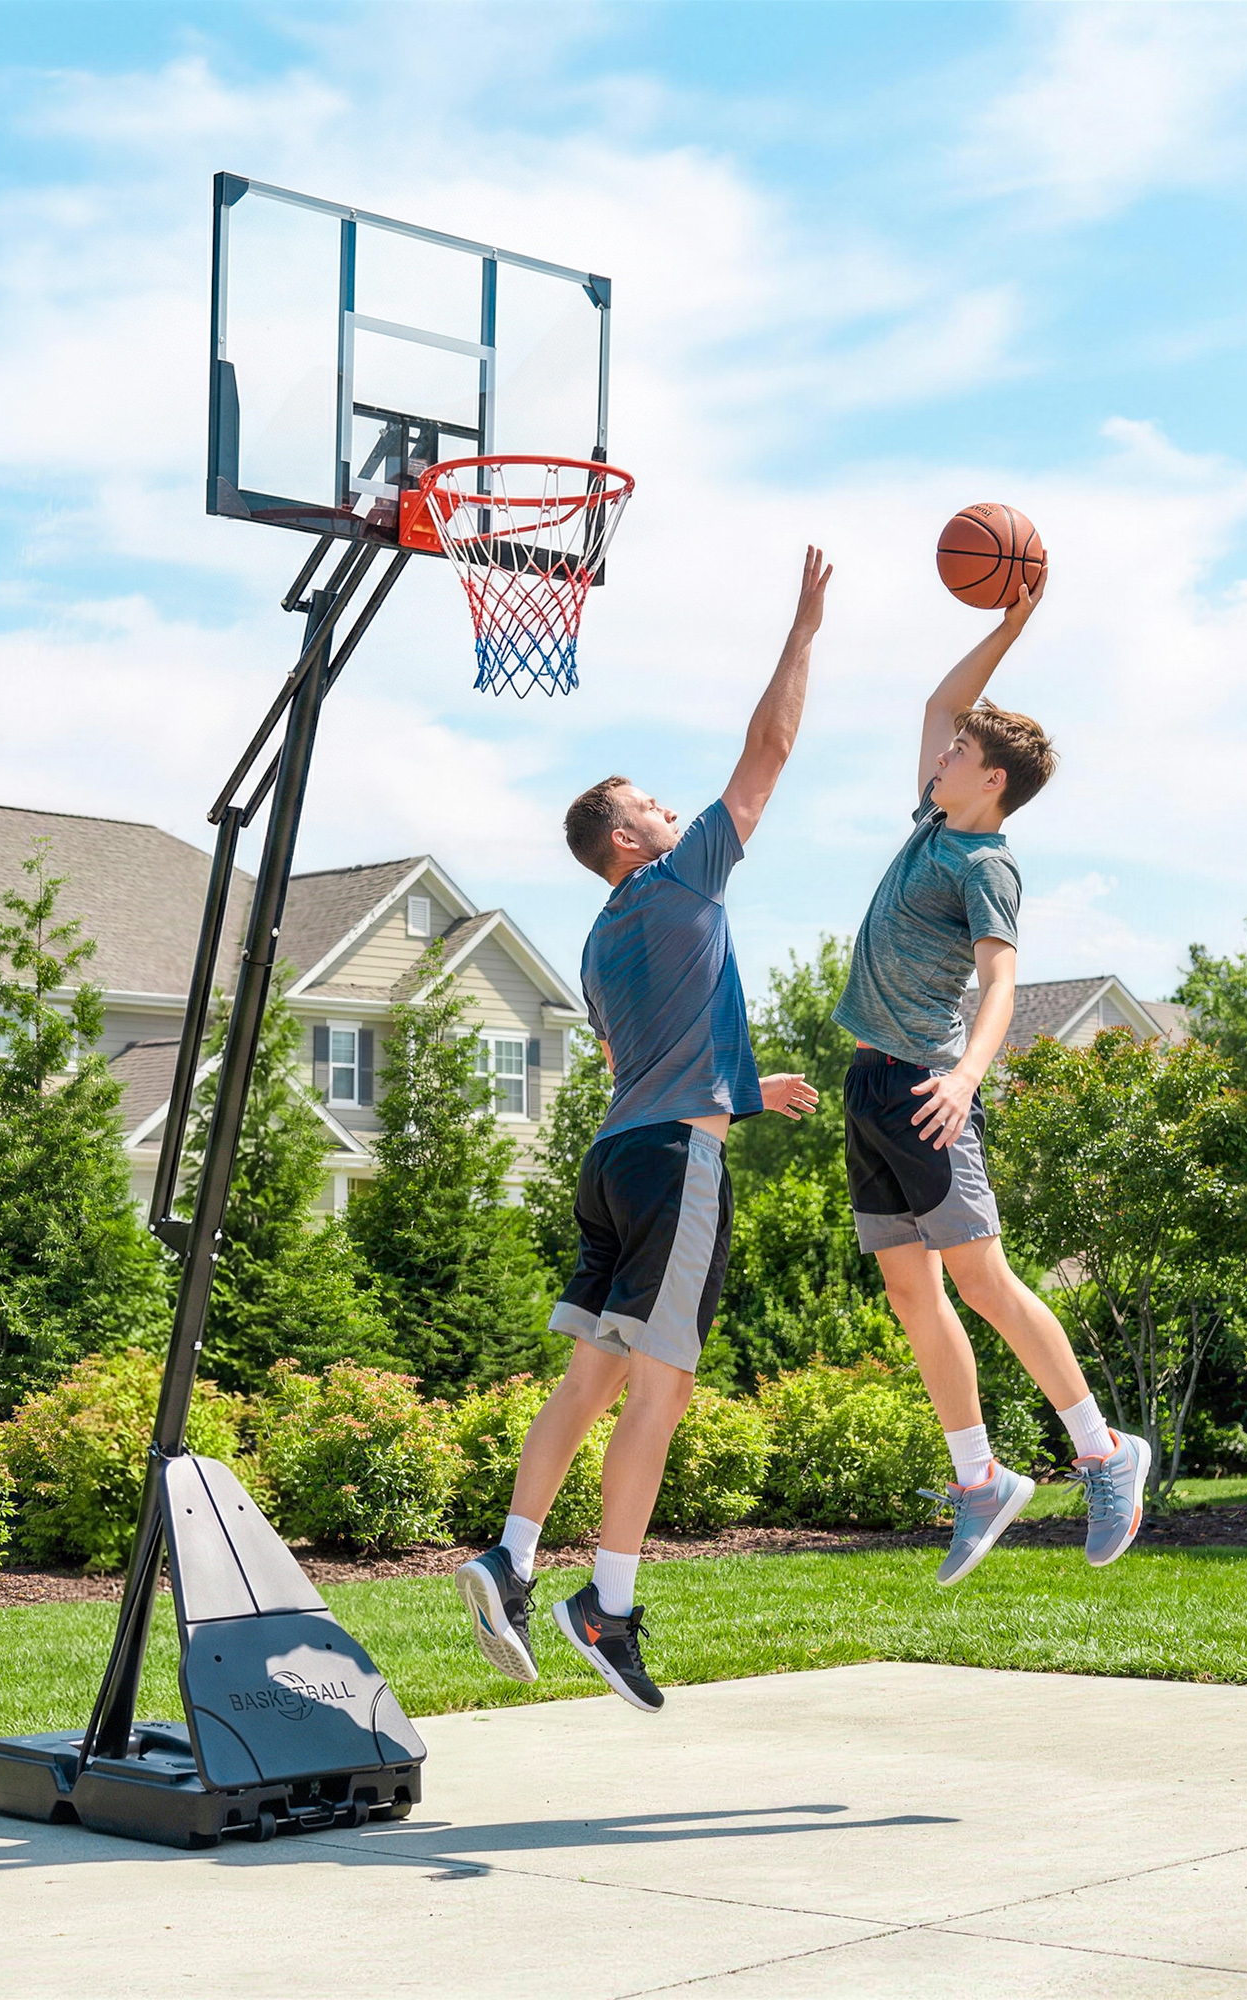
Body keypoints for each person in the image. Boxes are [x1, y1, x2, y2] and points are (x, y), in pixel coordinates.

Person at [456, 545, 833, 1713]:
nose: (674, 810)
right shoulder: (682, 883)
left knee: (587, 1376)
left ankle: (511, 1559)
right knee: (658, 1392)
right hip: (675, 1160)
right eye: (653, 806)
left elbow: (631, 1058)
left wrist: (739, 1080)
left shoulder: (598, 937)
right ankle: (603, 1604)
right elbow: (766, 755)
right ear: (628, 839)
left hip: (616, 1156)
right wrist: (804, 629)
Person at [832, 572, 1150, 1584]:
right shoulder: (931, 822)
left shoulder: (985, 865)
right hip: (869, 1086)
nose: (939, 755)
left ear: (992, 783)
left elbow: (1000, 978)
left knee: (981, 1280)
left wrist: (968, 1072)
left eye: (960, 756)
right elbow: (940, 704)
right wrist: (1010, 623)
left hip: (927, 1085)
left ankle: (1103, 1452)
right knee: (910, 1291)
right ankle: (979, 1478)